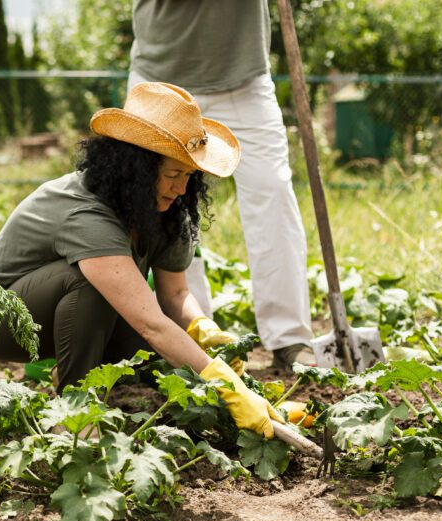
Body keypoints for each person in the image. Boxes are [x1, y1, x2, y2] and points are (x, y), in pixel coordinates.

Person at [0, 82, 284, 439]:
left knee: (159, 354)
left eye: (189, 175)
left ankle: (76, 370)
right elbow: (151, 321)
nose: (182, 188)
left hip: (62, 312)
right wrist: (226, 387)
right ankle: (76, 413)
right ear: (136, 169)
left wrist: (201, 328)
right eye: (172, 174)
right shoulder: (87, 214)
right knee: (97, 289)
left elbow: (175, 295)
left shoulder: (166, 207)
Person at [129, 0, 315, 371]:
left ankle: (290, 337)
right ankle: (190, 338)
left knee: (273, 190)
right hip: (161, 77)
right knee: (163, 202)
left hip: (243, 78)